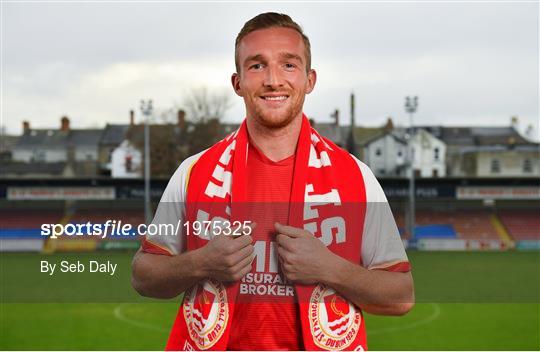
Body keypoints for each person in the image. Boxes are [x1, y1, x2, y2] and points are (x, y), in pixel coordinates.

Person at [132, 12, 414, 351]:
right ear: (237, 83)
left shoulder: (356, 178)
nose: (273, 80)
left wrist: (331, 268)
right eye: (257, 66)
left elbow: (401, 296)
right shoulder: (195, 172)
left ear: (310, 80)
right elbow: (143, 275)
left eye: (288, 65)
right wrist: (202, 262)